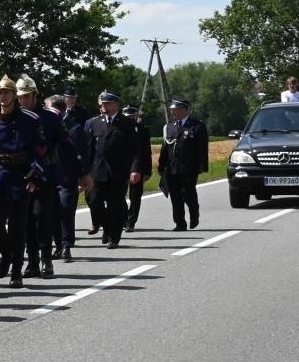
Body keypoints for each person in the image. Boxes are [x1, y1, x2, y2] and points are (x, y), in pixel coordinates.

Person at [0, 78, 47, 288]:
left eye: (7, 93)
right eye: (0, 93)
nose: (3, 97)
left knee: (18, 228)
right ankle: (6, 255)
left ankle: (16, 271)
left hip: (21, 177)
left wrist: (35, 173)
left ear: (14, 96)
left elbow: (41, 150)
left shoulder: (31, 119)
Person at [15, 76, 66, 278]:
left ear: (36, 95)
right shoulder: (15, 117)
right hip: (21, 177)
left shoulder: (51, 117)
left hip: (45, 175)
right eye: (21, 97)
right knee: (25, 220)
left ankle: (47, 259)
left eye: (27, 96)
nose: (24, 101)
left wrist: (82, 172)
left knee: (42, 218)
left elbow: (66, 144)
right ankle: (32, 261)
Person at [84, 93, 145, 249]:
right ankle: (107, 226)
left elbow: (135, 150)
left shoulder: (127, 124)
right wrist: (83, 172)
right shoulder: (93, 123)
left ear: (116, 105)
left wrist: (135, 169)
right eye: (103, 103)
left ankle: (114, 237)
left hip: (118, 172)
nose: (104, 105)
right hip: (97, 172)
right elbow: (88, 150)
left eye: (108, 103)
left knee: (115, 205)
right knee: (93, 200)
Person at [45, 95, 88, 264]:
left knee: (66, 211)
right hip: (50, 177)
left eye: (48, 107)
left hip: (67, 178)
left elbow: (81, 156)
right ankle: (57, 244)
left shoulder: (75, 128)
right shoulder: (46, 126)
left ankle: (66, 245)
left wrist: (82, 176)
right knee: (52, 212)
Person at [158, 99, 209, 230]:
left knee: (188, 193)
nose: (172, 112)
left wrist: (202, 165)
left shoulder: (197, 126)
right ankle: (180, 222)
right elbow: (165, 148)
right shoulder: (169, 127)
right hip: (172, 167)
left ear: (184, 109)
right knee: (175, 195)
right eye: (171, 110)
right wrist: (161, 165)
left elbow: (202, 147)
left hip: (189, 167)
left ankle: (194, 215)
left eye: (174, 109)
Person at [122, 105, 154, 233]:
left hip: (138, 167)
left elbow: (146, 152)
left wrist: (147, 171)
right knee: (118, 196)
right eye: (128, 117)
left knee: (135, 197)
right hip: (121, 168)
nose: (131, 119)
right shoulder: (118, 128)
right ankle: (124, 218)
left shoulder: (142, 130)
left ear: (136, 116)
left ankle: (131, 222)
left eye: (132, 116)